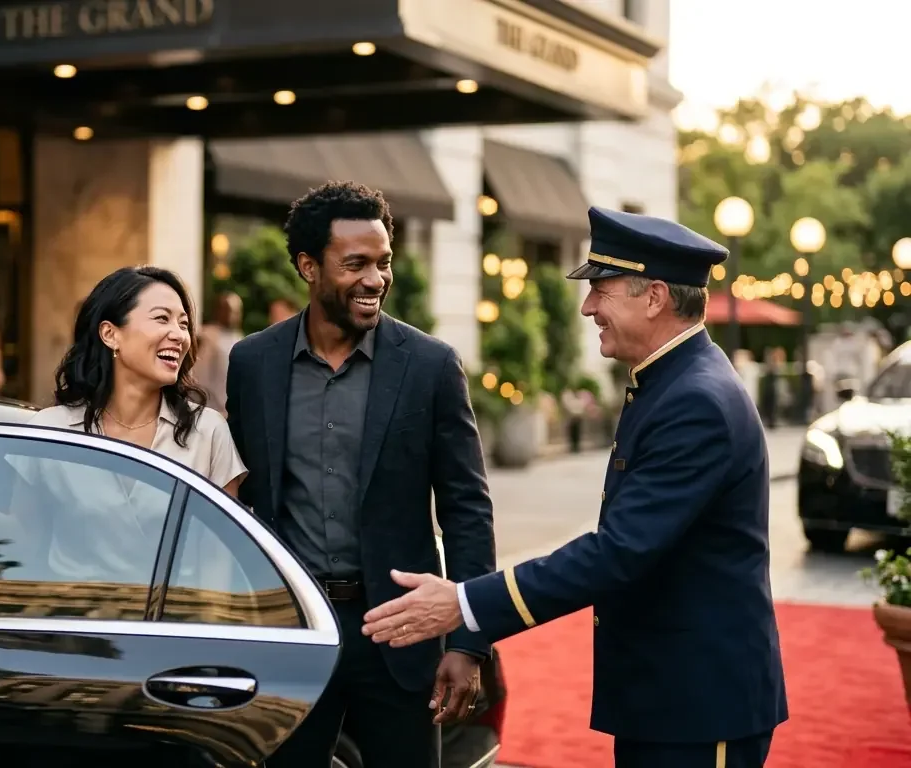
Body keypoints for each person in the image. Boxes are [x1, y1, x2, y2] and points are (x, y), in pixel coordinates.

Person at [361, 206, 787, 768]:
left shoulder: (694, 401)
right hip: (671, 695)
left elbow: (619, 551)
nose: (587, 308)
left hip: (697, 703)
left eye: (602, 291)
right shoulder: (673, 381)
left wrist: (464, 603)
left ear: (654, 296)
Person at [224, 181, 495, 768]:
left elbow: (467, 508)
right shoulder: (252, 364)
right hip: (293, 632)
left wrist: (470, 642)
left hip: (399, 633)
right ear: (308, 266)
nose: (375, 279)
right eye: (355, 264)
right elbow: (239, 505)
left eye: (383, 262)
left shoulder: (430, 366)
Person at [6, 266, 247, 585]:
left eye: (184, 324)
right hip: (74, 626)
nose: (179, 335)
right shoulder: (50, 431)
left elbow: (218, 565)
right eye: (162, 318)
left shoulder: (208, 431)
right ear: (110, 334)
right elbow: (20, 552)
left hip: (175, 627)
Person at [194, 291, 244, 414]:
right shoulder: (205, 336)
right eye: (229, 310)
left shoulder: (240, 338)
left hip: (231, 409)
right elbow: (200, 376)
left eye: (236, 311)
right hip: (208, 407)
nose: (232, 316)